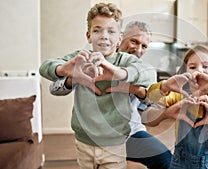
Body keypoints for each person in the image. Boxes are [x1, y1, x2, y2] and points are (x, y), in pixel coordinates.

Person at [39, 3, 156, 169]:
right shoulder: (80, 59)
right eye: (97, 30)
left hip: (114, 144)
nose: (104, 36)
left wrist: (119, 73)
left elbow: (149, 73)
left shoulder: (126, 61)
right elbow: (45, 67)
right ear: (88, 36)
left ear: (119, 38)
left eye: (111, 31)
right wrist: (66, 70)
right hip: (83, 141)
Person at [146, 44, 208, 169]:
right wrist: (165, 85)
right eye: (192, 67)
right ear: (185, 73)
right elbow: (151, 96)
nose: (199, 71)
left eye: (205, 66)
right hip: (179, 162)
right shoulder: (179, 95)